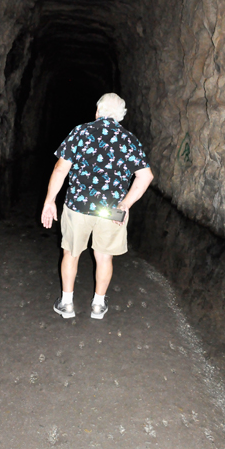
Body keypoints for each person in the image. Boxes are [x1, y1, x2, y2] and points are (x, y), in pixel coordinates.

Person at [41, 92, 154, 319]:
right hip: (112, 209)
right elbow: (146, 177)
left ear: (97, 112)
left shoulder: (81, 132)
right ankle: (98, 306)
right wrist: (125, 204)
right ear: (121, 116)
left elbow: (60, 170)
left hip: (78, 205)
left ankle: (66, 304)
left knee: (71, 254)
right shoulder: (129, 139)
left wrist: (49, 201)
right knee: (104, 257)